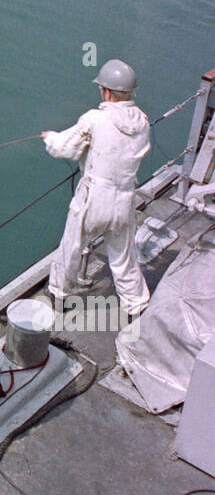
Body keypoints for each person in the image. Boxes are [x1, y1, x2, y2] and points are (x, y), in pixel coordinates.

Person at [42, 59, 151, 317]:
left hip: (94, 197)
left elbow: (65, 148)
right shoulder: (143, 123)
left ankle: (59, 295)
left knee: (71, 247)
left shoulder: (94, 119)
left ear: (106, 91)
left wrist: (50, 138)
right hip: (124, 198)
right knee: (124, 257)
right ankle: (136, 305)